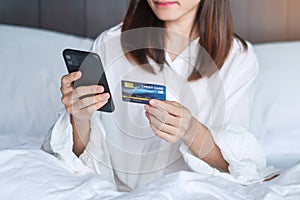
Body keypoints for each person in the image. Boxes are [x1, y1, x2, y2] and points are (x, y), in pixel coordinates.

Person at [42, 0, 276, 191]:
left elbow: (237, 165)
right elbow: (80, 155)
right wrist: (79, 117)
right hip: (121, 192)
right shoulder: (110, 44)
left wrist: (190, 130)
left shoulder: (237, 57)